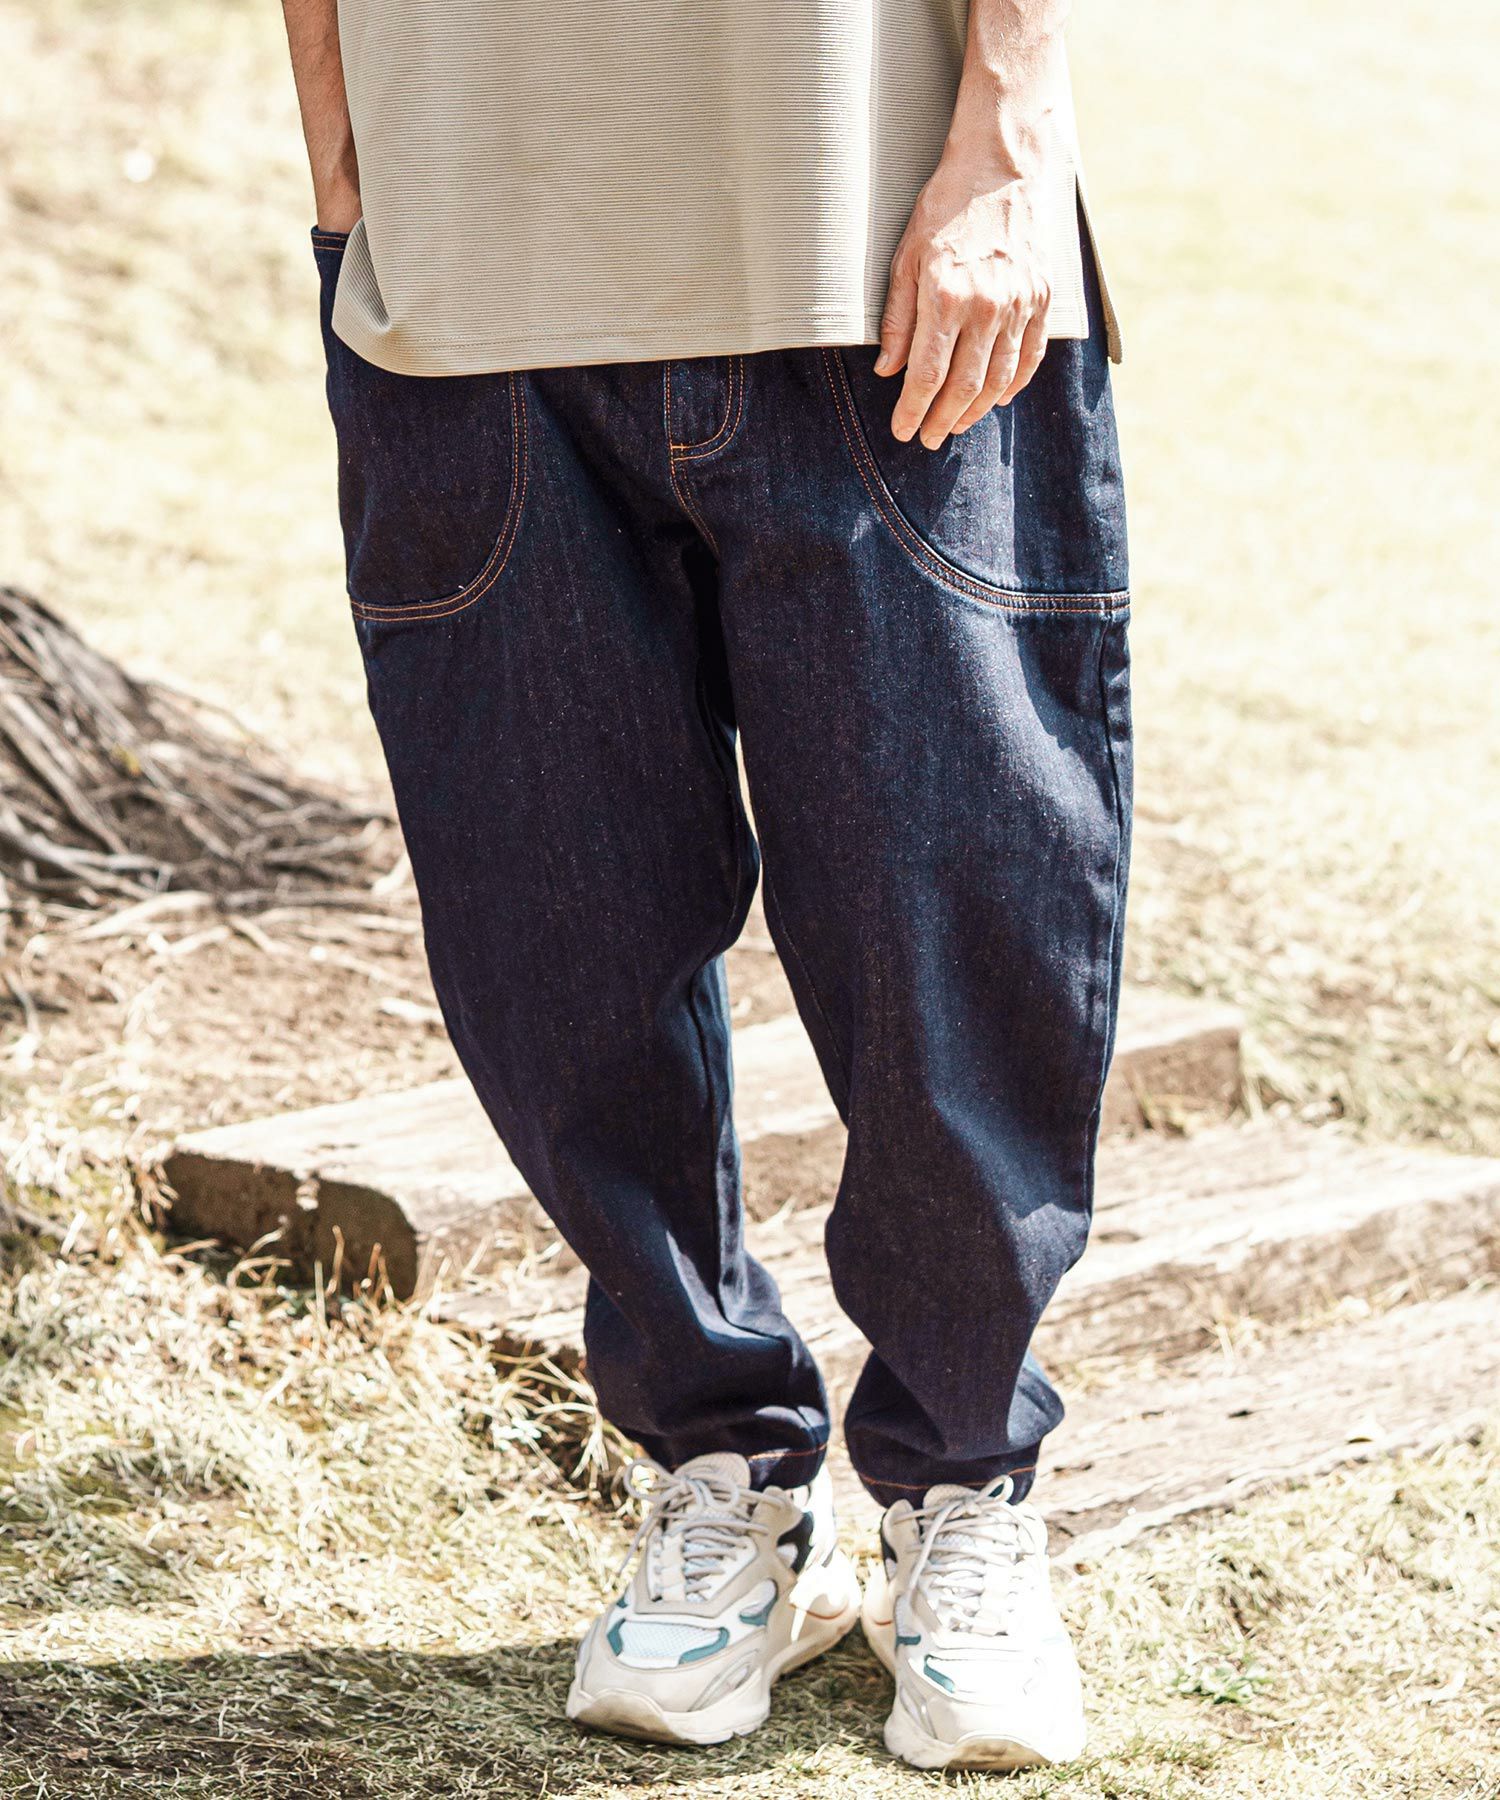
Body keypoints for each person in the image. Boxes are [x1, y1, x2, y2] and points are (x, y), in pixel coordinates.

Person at [281, 0, 1129, 1770]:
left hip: (877, 235)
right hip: (470, 266)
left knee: (952, 913)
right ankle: (722, 1464)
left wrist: (1010, 133)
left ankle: (966, 1480)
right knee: (552, 939)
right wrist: (345, 165)